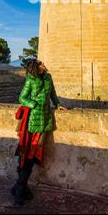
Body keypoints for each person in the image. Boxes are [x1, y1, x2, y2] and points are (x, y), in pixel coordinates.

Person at [11, 59, 67, 205]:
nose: (44, 64)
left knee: (33, 153)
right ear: (36, 67)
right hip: (31, 122)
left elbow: (53, 94)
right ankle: (20, 189)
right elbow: (22, 98)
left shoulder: (48, 77)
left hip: (45, 120)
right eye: (41, 63)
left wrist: (58, 104)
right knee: (28, 153)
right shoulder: (30, 80)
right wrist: (33, 104)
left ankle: (19, 187)